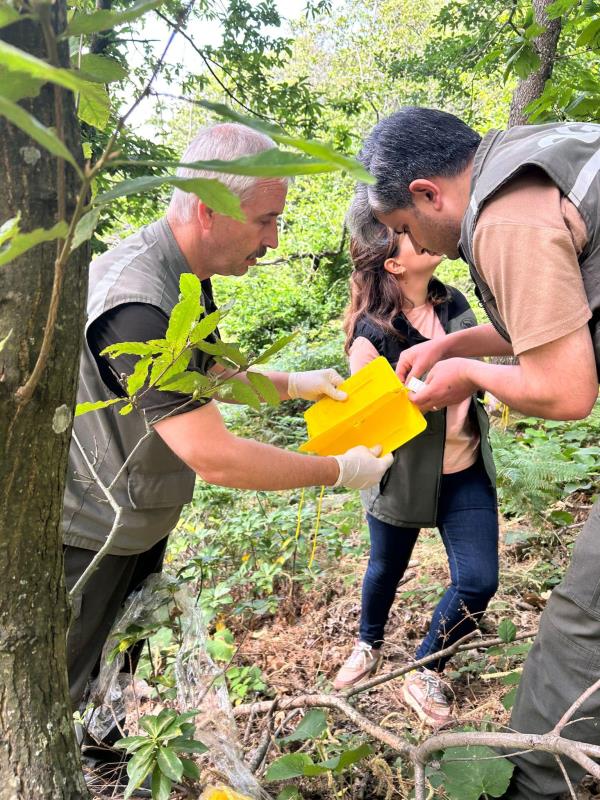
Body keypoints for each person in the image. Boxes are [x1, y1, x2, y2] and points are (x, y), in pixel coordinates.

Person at [63, 122, 393, 785]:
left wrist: (294, 384)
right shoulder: (136, 302)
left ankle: (103, 769)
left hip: (135, 521)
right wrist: (340, 470)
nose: (274, 240)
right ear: (210, 209)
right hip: (88, 535)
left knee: (112, 677)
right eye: (267, 220)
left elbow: (201, 375)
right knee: (59, 687)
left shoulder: (182, 273)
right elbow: (215, 456)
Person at [357, 107, 600, 799]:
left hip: (467, 476)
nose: (409, 240)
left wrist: (463, 377)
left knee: (582, 623)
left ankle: (535, 786)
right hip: (414, 485)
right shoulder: (539, 152)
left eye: (403, 225)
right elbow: (555, 316)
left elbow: (564, 389)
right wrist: (454, 345)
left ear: (430, 193)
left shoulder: (501, 219)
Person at [332, 192, 498, 728]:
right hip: (401, 477)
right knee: (386, 567)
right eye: (407, 230)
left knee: (478, 581)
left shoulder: (453, 305)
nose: (423, 228)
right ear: (393, 261)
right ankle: (367, 642)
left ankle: (427, 666)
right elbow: (366, 408)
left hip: (465, 467)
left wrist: (483, 382)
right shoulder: (373, 332)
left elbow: (487, 353)